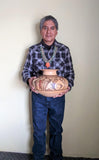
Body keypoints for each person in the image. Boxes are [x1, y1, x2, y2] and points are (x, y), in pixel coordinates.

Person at [22, 15, 75, 160]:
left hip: (58, 97)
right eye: (45, 28)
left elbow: (70, 74)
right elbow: (25, 71)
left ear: (56, 31)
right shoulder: (33, 50)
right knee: (39, 131)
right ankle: (38, 157)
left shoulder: (64, 50)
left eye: (52, 28)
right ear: (40, 31)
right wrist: (30, 79)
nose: (48, 32)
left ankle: (56, 157)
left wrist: (67, 88)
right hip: (38, 96)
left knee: (56, 130)